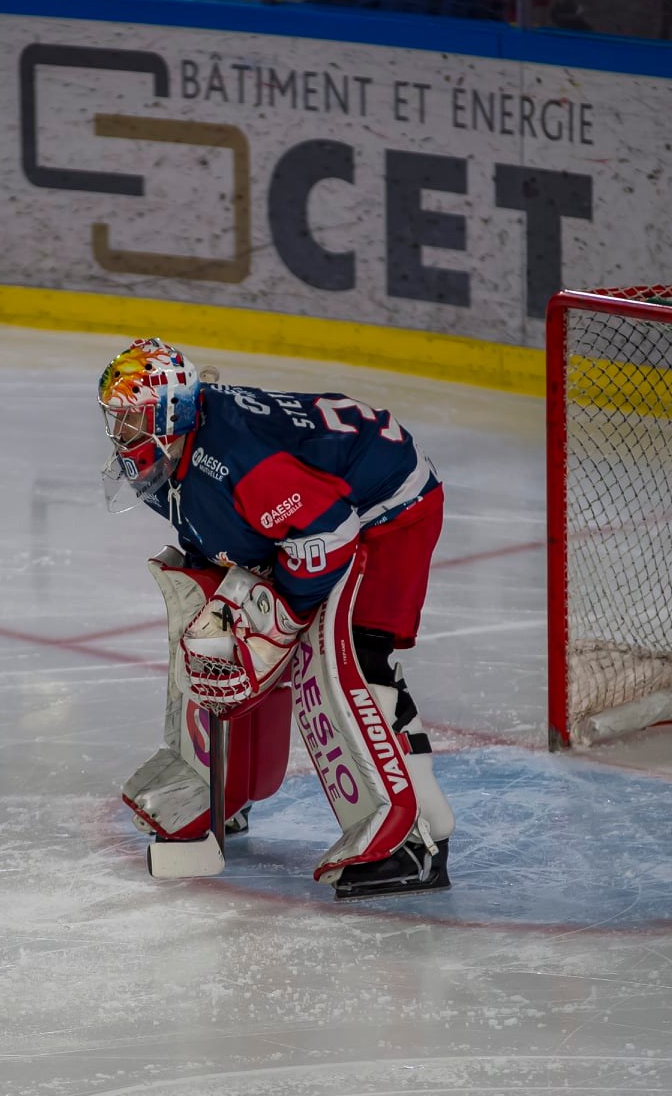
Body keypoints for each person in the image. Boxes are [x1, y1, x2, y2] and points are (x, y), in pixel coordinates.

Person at [97, 337, 455, 900]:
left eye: (133, 420)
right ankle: (223, 791)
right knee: (220, 637)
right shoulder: (179, 450)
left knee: (356, 662)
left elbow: (328, 532)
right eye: (116, 420)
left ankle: (413, 842)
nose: (121, 436)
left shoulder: (239, 463)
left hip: (387, 511)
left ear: (170, 417)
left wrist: (281, 615)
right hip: (327, 508)